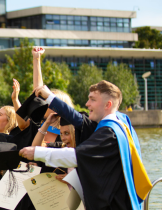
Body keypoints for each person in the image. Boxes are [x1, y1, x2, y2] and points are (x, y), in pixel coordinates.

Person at [19, 81, 152, 210]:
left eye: (92, 99)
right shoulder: (121, 122)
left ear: (108, 104)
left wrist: (36, 152)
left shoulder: (109, 133)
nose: (87, 104)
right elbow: (78, 119)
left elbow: (77, 156)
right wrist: (50, 98)